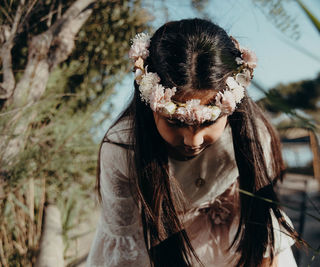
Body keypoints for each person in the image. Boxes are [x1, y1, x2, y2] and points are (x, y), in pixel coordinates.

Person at [87, 18, 299, 267]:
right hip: (151, 251)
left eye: (208, 124)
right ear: (150, 104)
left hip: (232, 244)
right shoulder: (121, 150)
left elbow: (262, 228)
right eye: (175, 124)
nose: (192, 141)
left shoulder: (253, 136)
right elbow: (124, 244)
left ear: (231, 107)